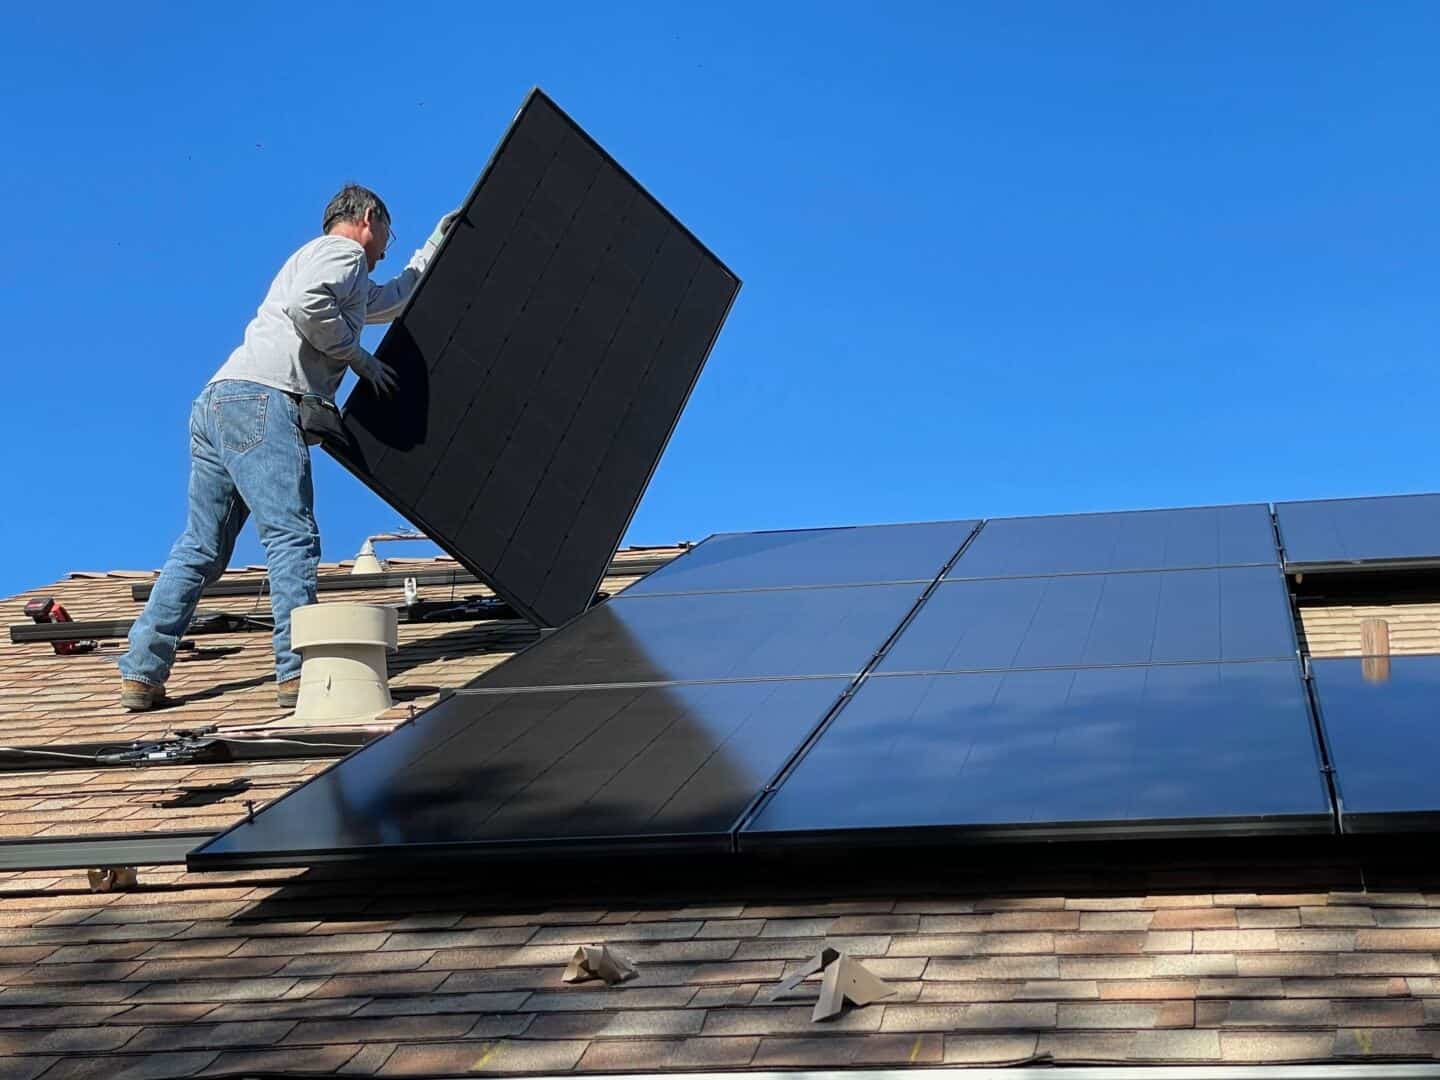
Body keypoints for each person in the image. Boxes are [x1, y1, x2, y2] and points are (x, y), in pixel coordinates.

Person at [118, 184, 459, 711]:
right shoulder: (341, 253)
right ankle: (297, 674)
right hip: (263, 400)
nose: (388, 246)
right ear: (369, 218)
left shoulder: (329, 265)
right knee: (291, 536)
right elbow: (308, 306)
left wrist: (435, 244)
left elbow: (391, 300)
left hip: (218, 402)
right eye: (390, 233)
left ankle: (141, 670)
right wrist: (358, 359)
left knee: (201, 548)